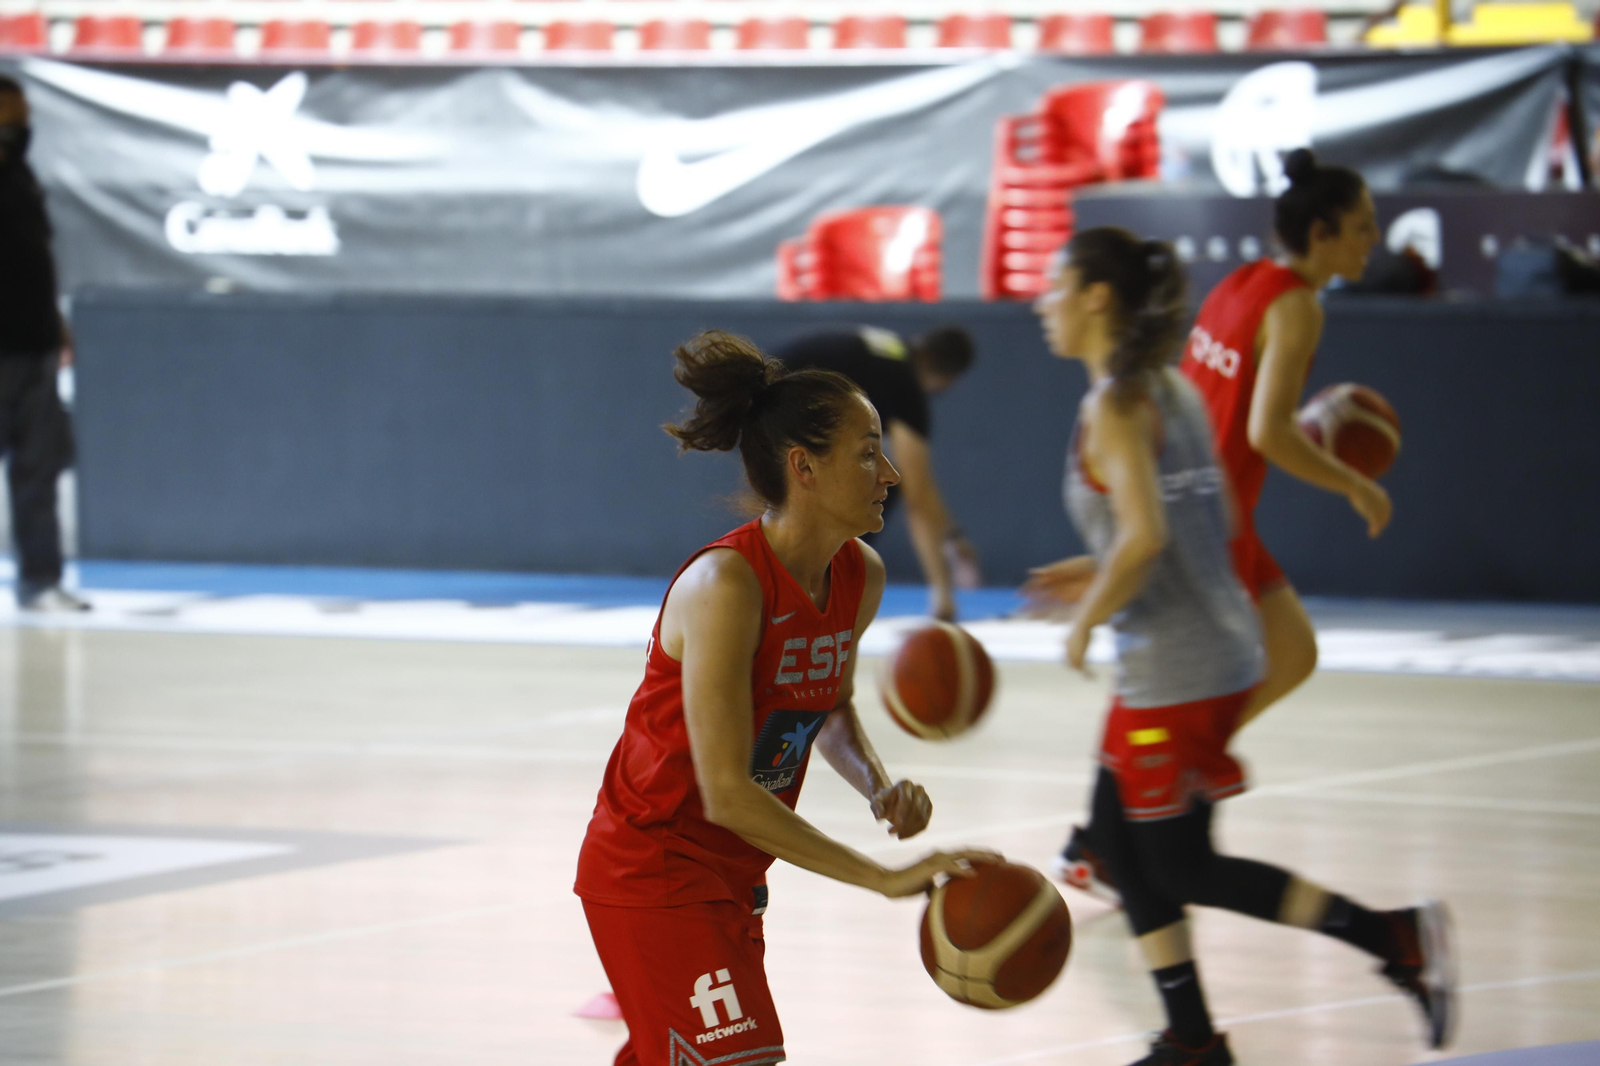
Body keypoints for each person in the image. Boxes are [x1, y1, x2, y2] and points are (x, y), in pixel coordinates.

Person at [1026, 228, 1454, 1066]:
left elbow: (1147, 536)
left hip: (1176, 672)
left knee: (1180, 869)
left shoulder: (1114, 408)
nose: (1042, 303)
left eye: (1054, 285)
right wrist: (1100, 568)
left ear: (1096, 298)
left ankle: (1395, 937)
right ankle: (1191, 1040)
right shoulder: (1171, 389)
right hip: (1195, 655)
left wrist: (1088, 615)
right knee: (1119, 847)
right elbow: (1201, 518)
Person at [574, 330, 995, 1066]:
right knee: (742, 1059)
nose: (891, 473)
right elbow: (726, 793)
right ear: (804, 467)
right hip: (657, 868)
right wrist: (881, 877)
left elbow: (826, 706)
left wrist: (878, 787)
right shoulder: (726, 585)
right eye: (867, 453)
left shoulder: (859, 576)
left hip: (734, 876)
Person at [1050, 149, 1384, 901]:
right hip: (1213, 515)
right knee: (1230, 666)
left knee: (1279, 657)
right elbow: (1268, 431)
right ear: (1323, 232)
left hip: (1199, 501)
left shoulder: (1243, 281)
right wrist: (1355, 482)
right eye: (1363, 227)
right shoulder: (1299, 305)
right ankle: (1127, 820)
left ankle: (1117, 824)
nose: (1373, 241)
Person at [773, 324, 978, 621]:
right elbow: (919, 495)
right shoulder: (905, 386)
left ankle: (805, 586)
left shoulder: (891, 351)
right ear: (948, 380)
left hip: (766, 398)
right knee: (876, 481)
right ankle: (811, 590)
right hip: (777, 408)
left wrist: (952, 535)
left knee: (868, 478)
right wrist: (944, 596)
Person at [0, 76, 87, 612]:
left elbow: (36, 258)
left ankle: (41, 579)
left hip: (33, 342)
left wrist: (55, 322)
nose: (18, 122)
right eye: (9, 113)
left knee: (39, 465)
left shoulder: (24, 177)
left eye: (22, 114)